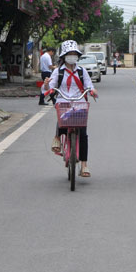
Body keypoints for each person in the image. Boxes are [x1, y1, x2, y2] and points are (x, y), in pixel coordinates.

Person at [42, 40, 98, 177]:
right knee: (62, 117)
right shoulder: (58, 72)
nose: (72, 56)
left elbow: (89, 85)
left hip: (79, 102)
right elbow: (49, 87)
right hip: (63, 101)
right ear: (64, 56)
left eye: (74, 54)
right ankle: (57, 137)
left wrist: (92, 91)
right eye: (69, 54)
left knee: (83, 133)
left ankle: (84, 165)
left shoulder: (82, 71)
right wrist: (47, 86)